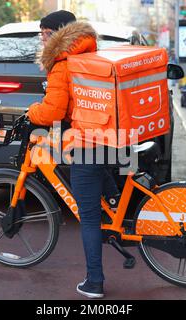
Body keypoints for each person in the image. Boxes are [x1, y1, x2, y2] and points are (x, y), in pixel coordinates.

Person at [26, 10, 119, 299]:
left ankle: (94, 283)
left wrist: (31, 112)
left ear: (56, 34)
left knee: (88, 217)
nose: (41, 38)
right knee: (98, 174)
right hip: (111, 136)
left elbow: (52, 111)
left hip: (87, 143)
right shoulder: (90, 54)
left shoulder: (62, 63)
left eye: (44, 32)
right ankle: (117, 205)